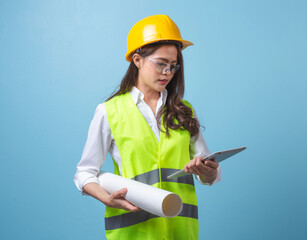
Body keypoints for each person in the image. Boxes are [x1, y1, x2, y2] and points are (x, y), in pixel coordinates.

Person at [73, 14, 221, 240]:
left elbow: (206, 170)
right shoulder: (109, 111)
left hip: (181, 232)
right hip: (133, 232)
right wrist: (106, 198)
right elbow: (84, 173)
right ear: (137, 60)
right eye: (161, 64)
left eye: (173, 66)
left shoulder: (184, 111)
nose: (167, 73)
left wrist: (209, 172)